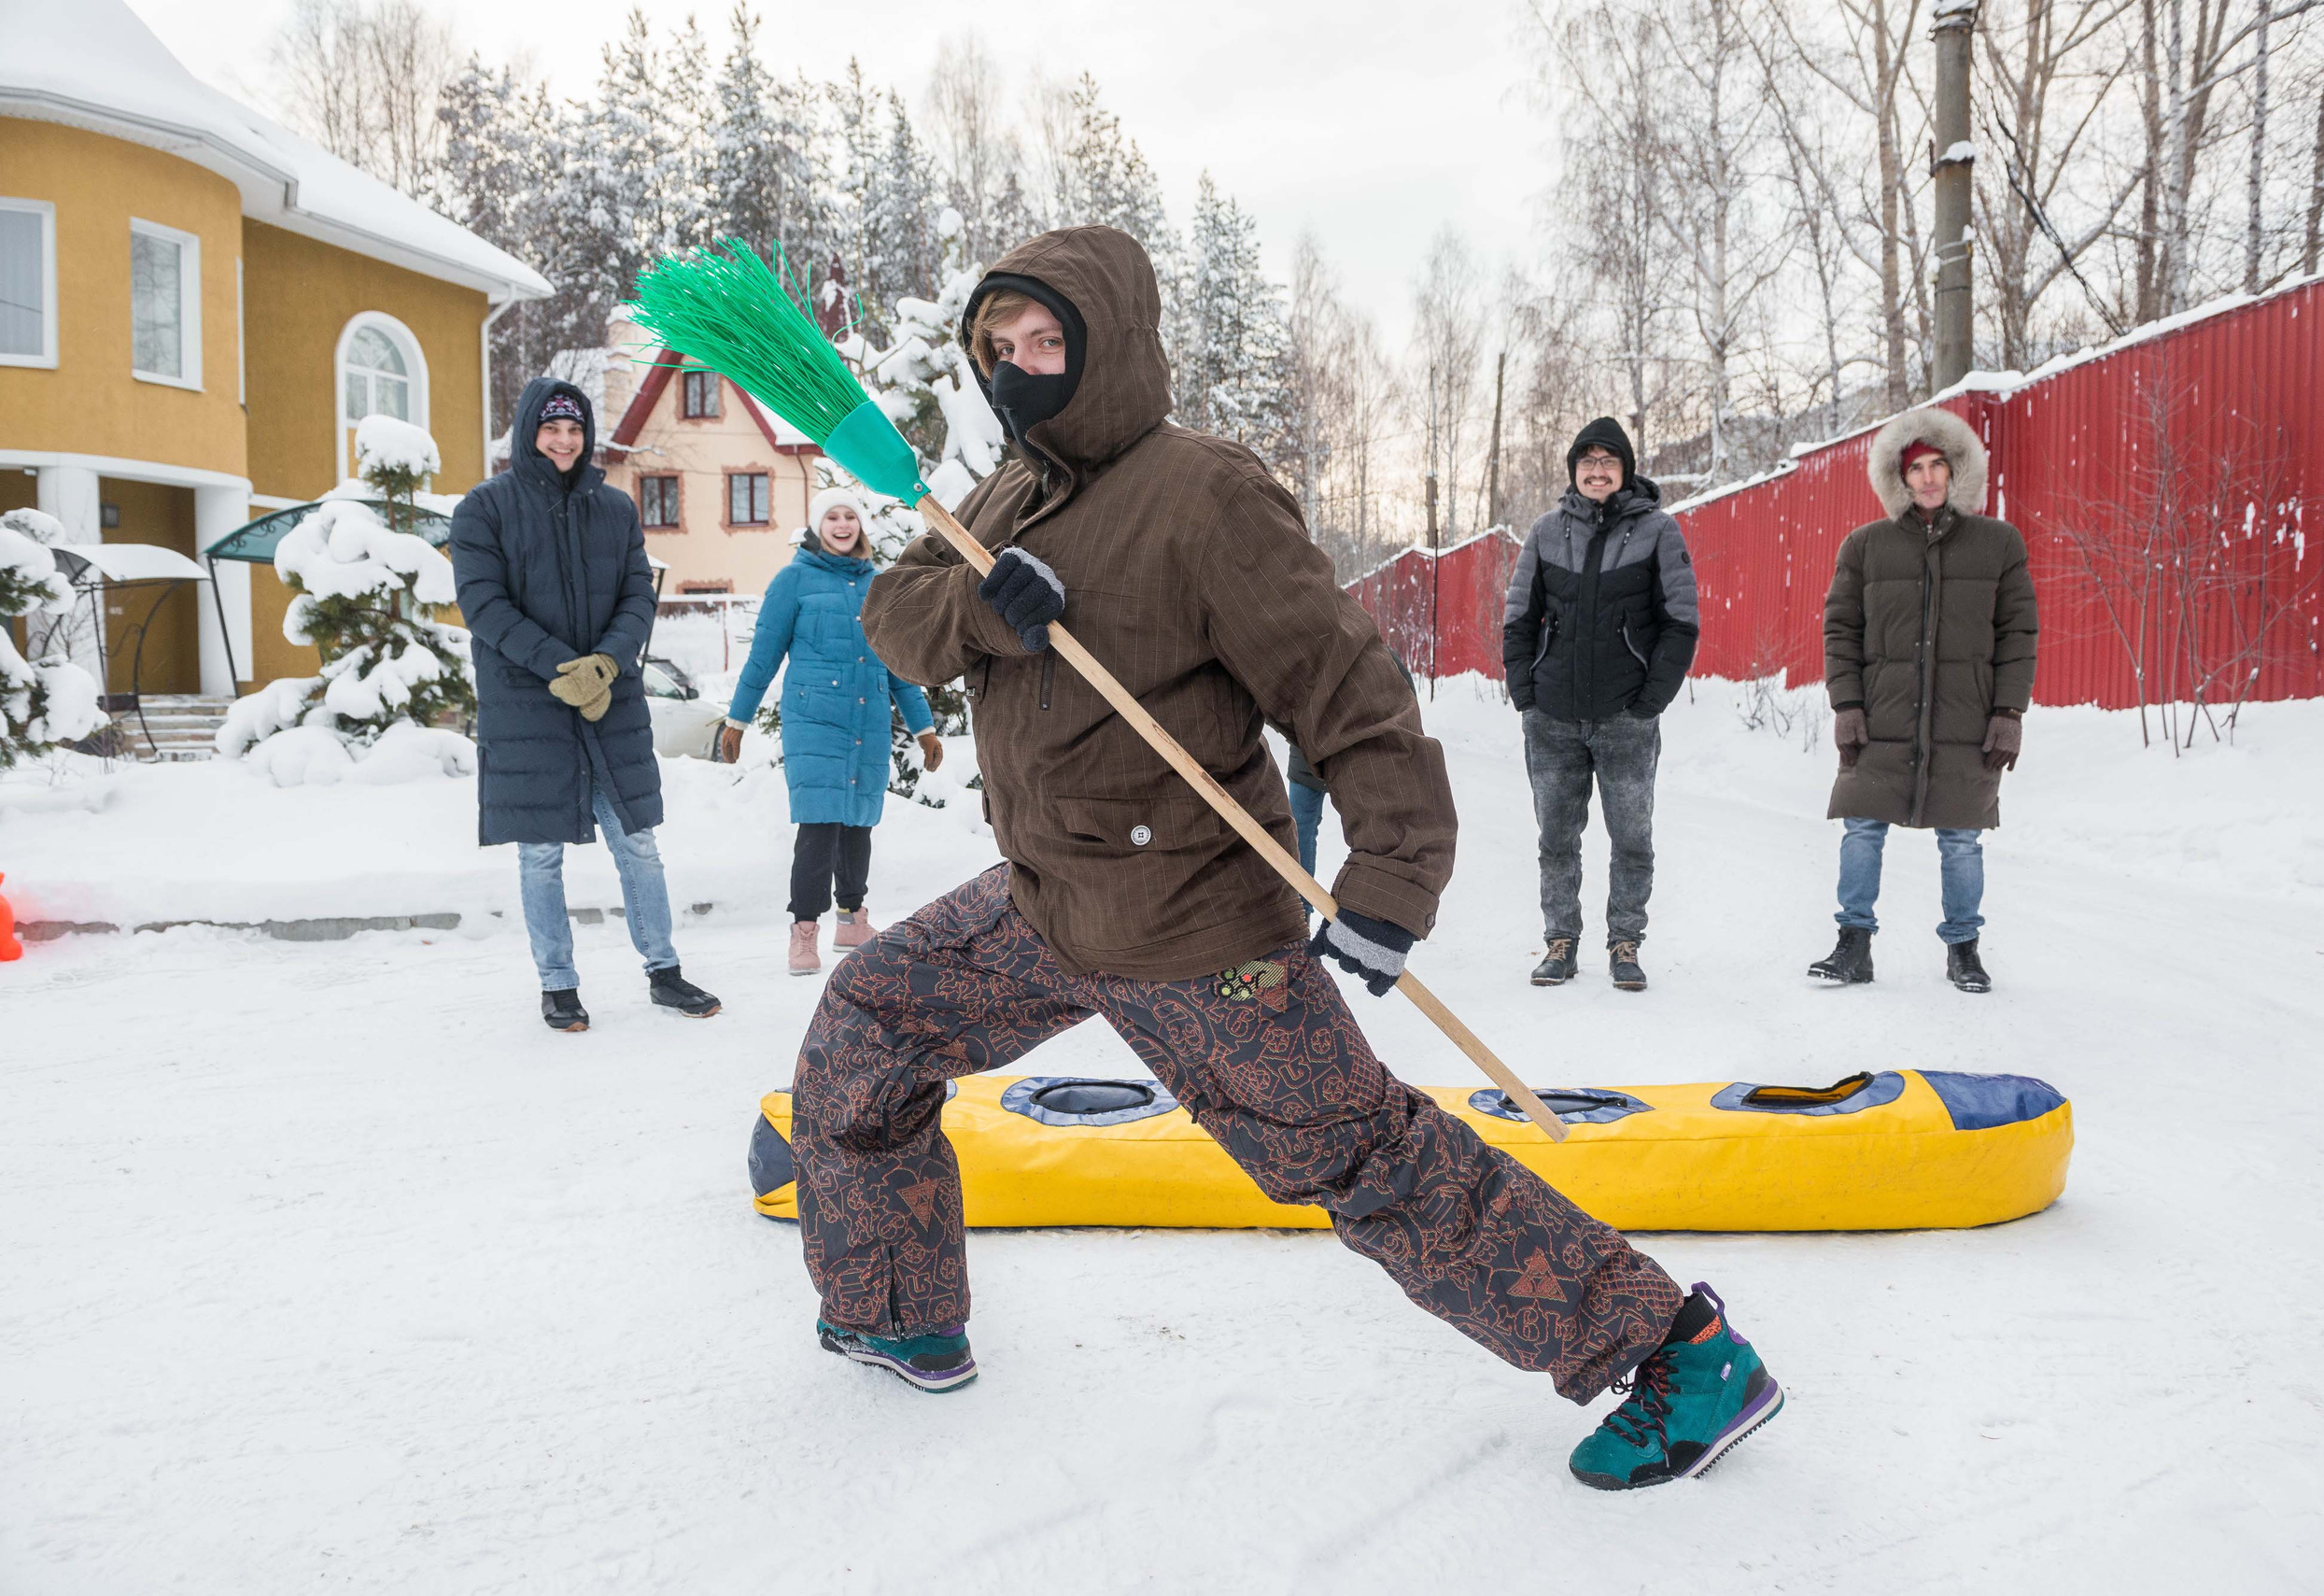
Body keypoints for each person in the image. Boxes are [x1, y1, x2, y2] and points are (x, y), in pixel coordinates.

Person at [790, 226, 1782, 1490]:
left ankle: (1678, 1352)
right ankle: (897, 1308)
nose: (1020, 368)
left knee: (1372, 1163)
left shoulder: (1204, 494)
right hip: (1047, 901)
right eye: (1002, 348)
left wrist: (1393, 872)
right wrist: (980, 608)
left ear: (1110, 346)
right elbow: (895, 615)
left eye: (1047, 342)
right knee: (871, 1020)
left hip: (1191, 928)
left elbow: (1344, 686)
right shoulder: (1003, 498)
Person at [449, 377, 721, 1031]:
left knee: (638, 843)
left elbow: (638, 594)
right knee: (541, 854)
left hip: (610, 703)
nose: (564, 441)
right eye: (552, 429)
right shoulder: (485, 508)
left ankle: (664, 971)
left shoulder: (615, 508)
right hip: (530, 706)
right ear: (529, 432)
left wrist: (606, 661)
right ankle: (558, 984)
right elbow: (483, 604)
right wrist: (558, 665)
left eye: (574, 429)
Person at [1807, 406, 2037, 994]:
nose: (1929, 477)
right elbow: (1841, 630)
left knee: (1961, 839)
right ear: (1899, 477)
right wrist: (1846, 705)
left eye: (1938, 464)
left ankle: (1964, 950)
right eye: (1916, 468)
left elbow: (2018, 633)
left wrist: (2009, 713)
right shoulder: (1866, 546)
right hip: (1882, 714)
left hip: (1966, 718)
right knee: (1862, 827)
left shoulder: (1998, 544)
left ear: (1957, 470)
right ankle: (1853, 945)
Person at [1500, 418, 1700, 992]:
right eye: (1586, 461)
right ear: (1573, 470)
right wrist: (1526, 695)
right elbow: (1519, 619)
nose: (1596, 470)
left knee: (1631, 840)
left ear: (1625, 470)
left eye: (1608, 461)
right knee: (1556, 840)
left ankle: (1625, 943)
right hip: (1553, 718)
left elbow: (1681, 623)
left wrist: (1650, 701)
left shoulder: (1659, 531)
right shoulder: (1545, 532)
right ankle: (1560, 942)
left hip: (1625, 719)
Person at [719, 489, 943, 977]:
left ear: (860, 526)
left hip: (867, 720)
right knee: (819, 826)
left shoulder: (878, 585)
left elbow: (896, 664)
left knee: (859, 824)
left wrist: (923, 727)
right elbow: (763, 657)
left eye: (850, 517)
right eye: (832, 517)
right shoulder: (793, 580)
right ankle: (804, 930)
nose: (842, 525)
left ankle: (851, 920)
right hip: (815, 722)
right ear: (817, 526)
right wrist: (737, 721)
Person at [1283, 644, 1414, 885]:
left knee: (1373, 830)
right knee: (1299, 827)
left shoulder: (1377, 654)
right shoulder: (1308, 650)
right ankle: (1300, 900)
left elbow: (1406, 702)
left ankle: (1366, 898)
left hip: (1356, 755)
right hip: (1309, 752)